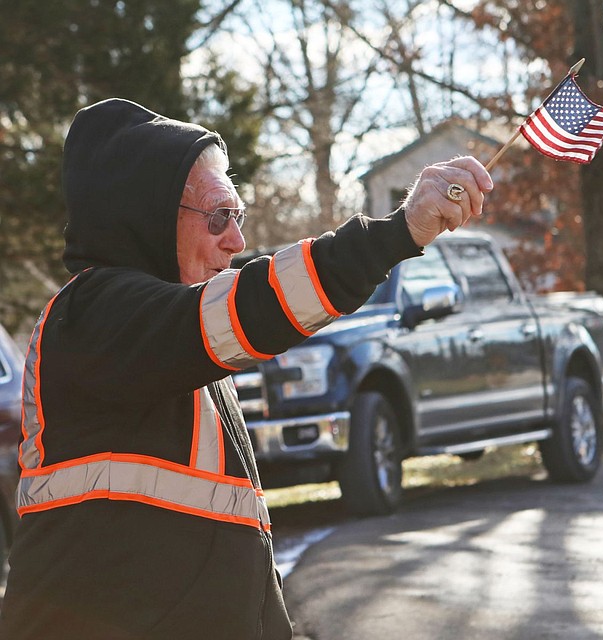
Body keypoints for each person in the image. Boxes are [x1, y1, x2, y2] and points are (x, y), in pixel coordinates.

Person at [0, 98, 492, 640]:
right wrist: (398, 233)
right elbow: (257, 302)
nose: (235, 241)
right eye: (218, 216)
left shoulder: (182, 356)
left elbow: (238, 559)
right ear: (147, 217)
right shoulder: (93, 316)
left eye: (237, 216)